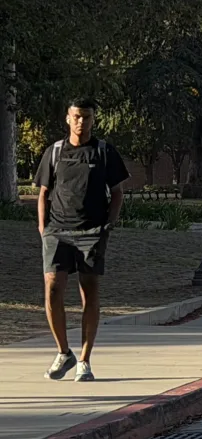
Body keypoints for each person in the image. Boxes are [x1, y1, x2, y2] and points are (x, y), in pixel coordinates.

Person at [34, 98, 128, 382]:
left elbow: (118, 193)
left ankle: (85, 360)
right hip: (57, 232)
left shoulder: (104, 152)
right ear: (67, 118)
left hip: (91, 233)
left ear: (93, 120)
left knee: (89, 291)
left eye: (86, 117)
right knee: (52, 288)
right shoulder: (55, 152)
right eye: (76, 116)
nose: (81, 122)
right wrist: (43, 228)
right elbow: (43, 193)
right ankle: (64, 352)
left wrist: (107, 227)